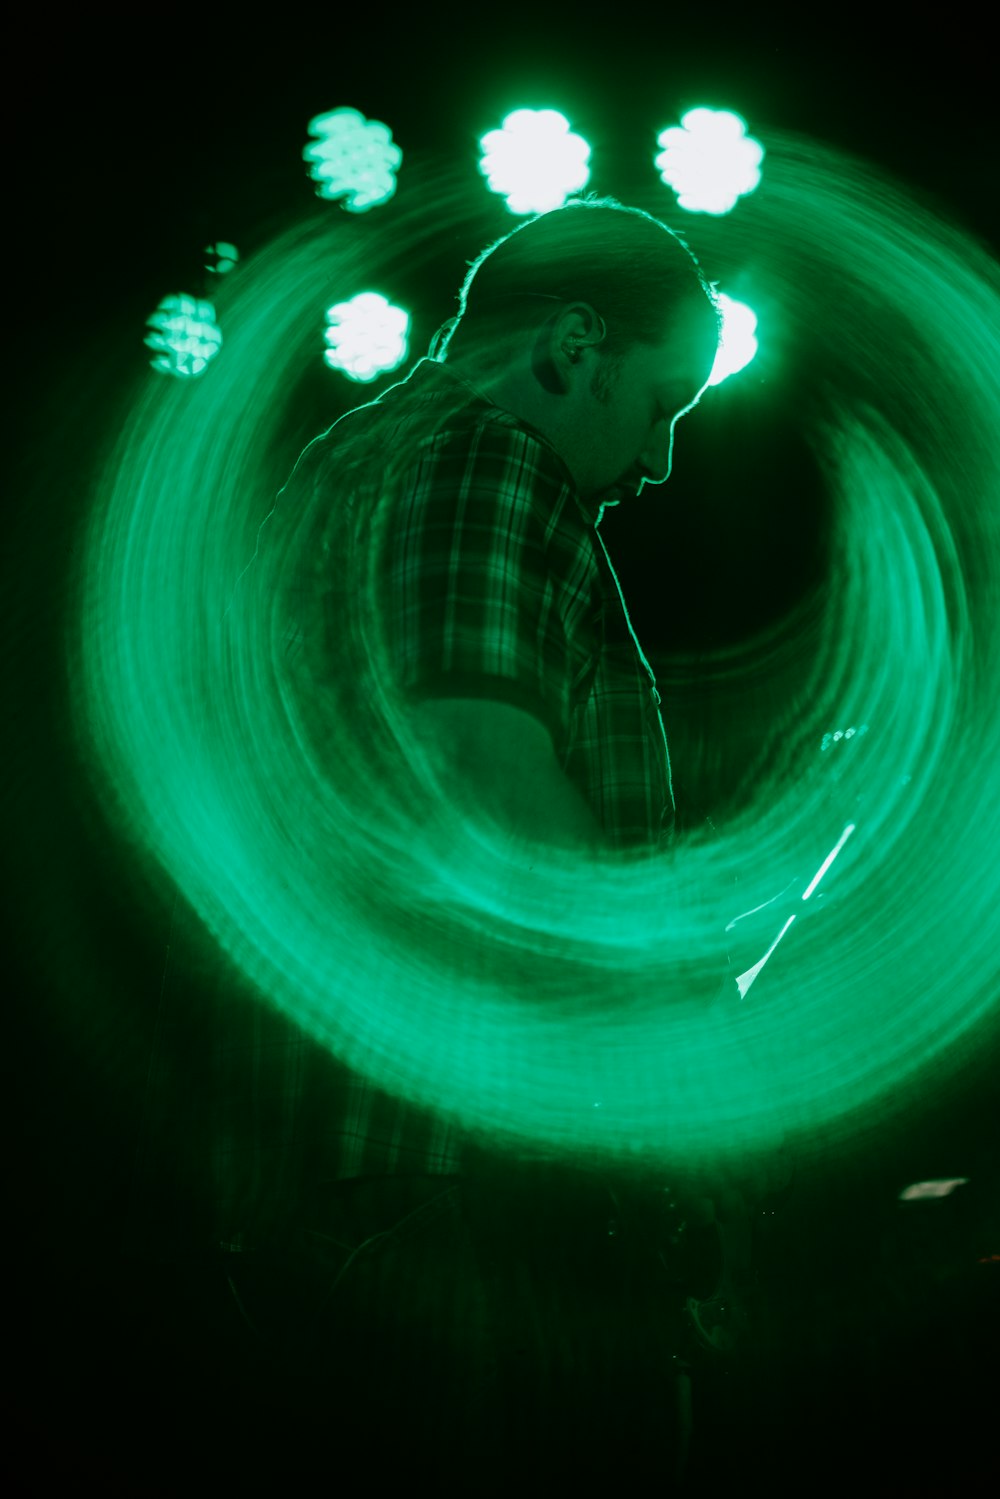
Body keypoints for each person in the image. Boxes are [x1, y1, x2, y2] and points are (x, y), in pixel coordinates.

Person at [121, 194, 737, 1485]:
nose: (663, 460)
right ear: (575, 343)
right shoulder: (481, 456)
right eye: (665, 401)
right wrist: (690, 1051)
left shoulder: (342, 467)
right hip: (445, 1186)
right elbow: (482, 772)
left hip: (332, 1182)